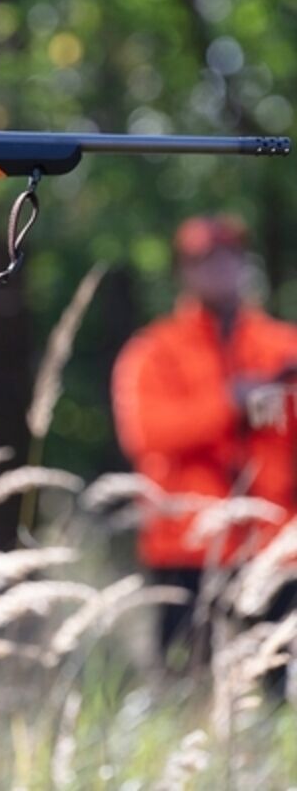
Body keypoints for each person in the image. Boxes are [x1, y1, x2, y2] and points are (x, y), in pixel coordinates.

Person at [111, 214, 297, 667]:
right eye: (205, 261)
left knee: (275, 688)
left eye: (230, 257)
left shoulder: (283, 345)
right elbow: (147, 434)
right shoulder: (153, 350)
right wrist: (232, 402)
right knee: (186, 681)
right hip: (186, 548)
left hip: (275, 548)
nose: (220, 270)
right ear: (184, 272)